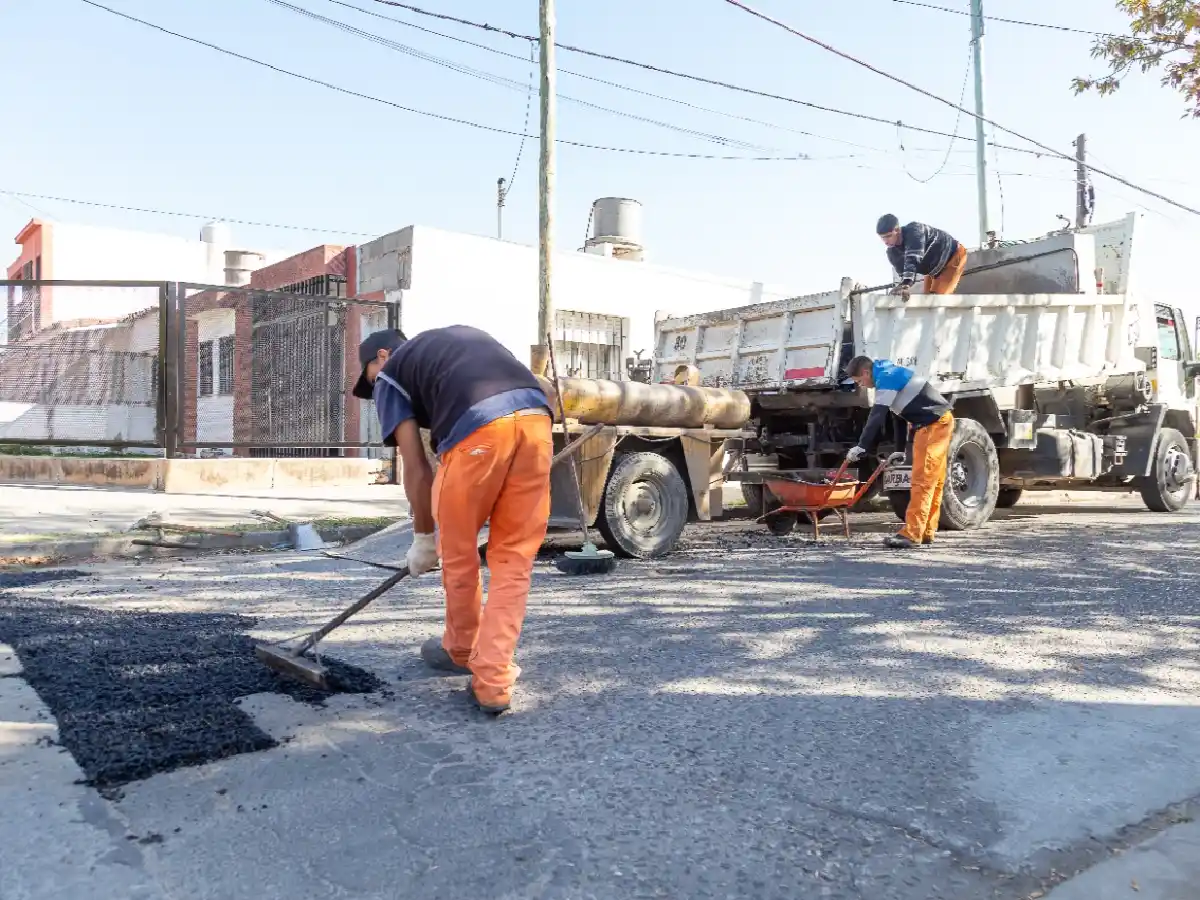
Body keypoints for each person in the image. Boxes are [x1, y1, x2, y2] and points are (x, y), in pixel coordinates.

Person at [351, 325, 553, 714]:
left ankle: (461, 649)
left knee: (457, 550)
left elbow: (415, 466)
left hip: (478, 432)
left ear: (381, 358)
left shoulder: (391, 376)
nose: (372, 389)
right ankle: (493, 681)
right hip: (536, 422)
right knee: (513, 559)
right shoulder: (449, 348)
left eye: (369, 379)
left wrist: (424, 536)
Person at [844, 355, 954, 550]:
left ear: (865, 372)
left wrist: (862, 446)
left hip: (933, 425)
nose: (861, 385)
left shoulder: (885, 378)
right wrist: (900, 450)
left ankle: (912, 534)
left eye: (859, 381)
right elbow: (899, 416)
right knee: (933, 481)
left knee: (923, 480)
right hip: (933, 423)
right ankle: (925, 531)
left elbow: (877, 416)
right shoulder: (888, 374)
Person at [876, 214, 968, 300]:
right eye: (882, 238)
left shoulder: (915, 231)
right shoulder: (892, 253)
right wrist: (903, 288)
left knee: (936, 301)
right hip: (933, 269)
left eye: (888, 236)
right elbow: (904, 276)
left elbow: (913, 258)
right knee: (927, 301)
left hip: (953, 256)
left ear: (898, 230)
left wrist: (906, 284)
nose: (885, 241)